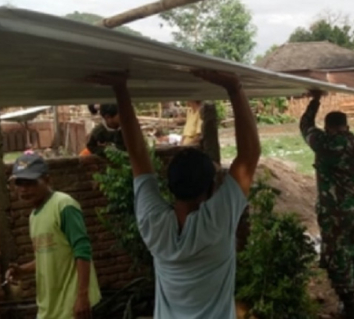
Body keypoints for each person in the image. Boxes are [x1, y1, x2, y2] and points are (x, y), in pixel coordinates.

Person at [89, 70, 260, 318]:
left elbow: (137, 154)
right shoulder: (212, 222)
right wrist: (120, 89)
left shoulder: (157, 226)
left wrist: (234, 88)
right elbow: (139, 155)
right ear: (211, 188)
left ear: (169, 186)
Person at [300, 90, 354, 319]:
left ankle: (349, 306)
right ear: (346, 126)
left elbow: (305, 125)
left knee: (333, 254)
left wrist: (315, 100)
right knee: (350, 243)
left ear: (328, 127)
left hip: (335, 211)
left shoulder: (323, 143)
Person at [5, 154, 101, 319]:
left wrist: (82, 296)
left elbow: (82, 250)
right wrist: (22, 270)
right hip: (49, 308)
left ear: (47, 180)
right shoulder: (34, 216)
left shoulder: (64, 205)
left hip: (71, 306)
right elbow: (46, 256)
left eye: (30, 182)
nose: (23, 189)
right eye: (19, 183)